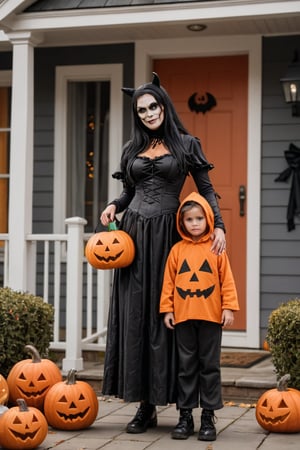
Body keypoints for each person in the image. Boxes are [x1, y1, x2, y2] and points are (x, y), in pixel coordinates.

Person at [100, 72, 226, 434]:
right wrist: (113, 205)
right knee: (138, 316)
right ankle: (146, 405)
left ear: (164, 106)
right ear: (137, 114)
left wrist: (219, 225)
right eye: (142, 110)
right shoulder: (131, 150)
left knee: (172, 318)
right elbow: (127, 193)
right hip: (134, 237)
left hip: (171, 239)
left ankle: (187, 410)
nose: (149, 113)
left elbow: (206, 188)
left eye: (153, 106)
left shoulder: (187, 145)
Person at [160, 192, 239, 441]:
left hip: (211, 317)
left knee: (210, 367)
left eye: (199, 219)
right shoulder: (177, 250)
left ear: (208, 220)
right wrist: (168, 309)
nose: (194, 224)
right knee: (186, 367)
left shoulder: (216, 248)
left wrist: (228, 308)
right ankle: (185, 416)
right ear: (181, 223)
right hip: (183, 317)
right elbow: (169, 283)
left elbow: (226, 280)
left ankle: (208, 417)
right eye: (189, 220)